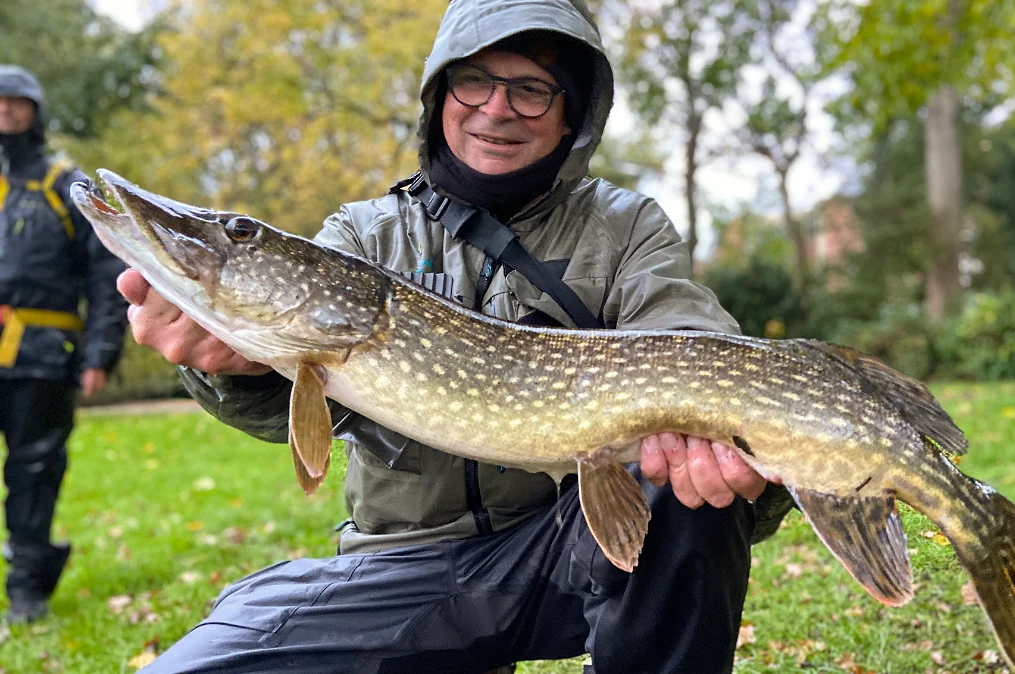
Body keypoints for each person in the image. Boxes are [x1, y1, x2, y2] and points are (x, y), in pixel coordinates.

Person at [122, 1, 791, 671]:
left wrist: (738, 445)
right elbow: (284, 403)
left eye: (531, 90)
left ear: (571, 115)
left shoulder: (624, 227)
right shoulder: (360, 238)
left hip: (561, 549)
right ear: (441, 94)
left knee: (683, 481)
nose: (496, 109)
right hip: (398, 575)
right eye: (474, 80)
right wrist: (230, 367)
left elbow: (689, 339)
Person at [0, 65, 129, 623]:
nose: (5, 110)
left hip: (43, 353)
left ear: (35, 110)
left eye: (15, 102)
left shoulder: (65, 185)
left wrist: (101, 352)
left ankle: (27, 589)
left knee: (34, 469)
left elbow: (107, 276)